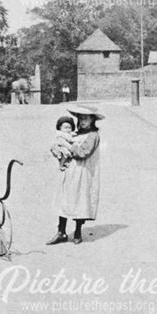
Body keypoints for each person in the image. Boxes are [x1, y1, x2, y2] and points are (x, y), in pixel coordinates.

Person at [46, 104, 103, 246]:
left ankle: (77, 231)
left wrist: (69, 147)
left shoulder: (93, 136)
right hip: (69, 171)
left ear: (92, 120)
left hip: (83, 172)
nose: (83, 121)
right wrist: (57, 149)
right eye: (81, 118)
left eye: (86, 118)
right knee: (64, 199)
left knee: (80, 200)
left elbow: (83, 152)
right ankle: (61, 231)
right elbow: (59, 146)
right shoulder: (75, 134)